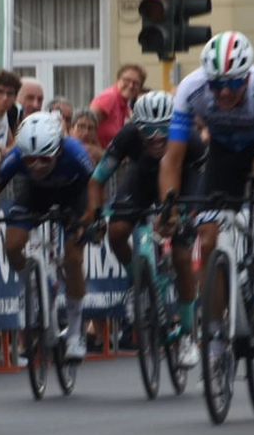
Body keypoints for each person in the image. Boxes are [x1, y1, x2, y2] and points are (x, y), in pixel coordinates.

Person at [158, 31, 254, 316]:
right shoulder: (191, 88)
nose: (224, 91)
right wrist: (168, 205)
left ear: (246, 77)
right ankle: (216, 339)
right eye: (217, 84)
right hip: (223, 150)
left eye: (233, 83)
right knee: (207, 241)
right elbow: (172, 160)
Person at [84, 90, 201, 356]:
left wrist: (183, 214)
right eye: (148, 129)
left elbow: (201, 185)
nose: (156, 136)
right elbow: (97, 179)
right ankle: (139, 281)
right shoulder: (126, 136)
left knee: (183, 257)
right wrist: (94, 215)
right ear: (137, 126)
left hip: (183, 184)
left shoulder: (190, 138)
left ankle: (185, 334)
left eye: (163, 129)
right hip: (141, 180)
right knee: (116, 232)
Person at [0, 111, 95, 360]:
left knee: (73, 259)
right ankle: (35, 284)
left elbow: (96, 188)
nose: (36, 166)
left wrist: (87, 220)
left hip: (73, 197)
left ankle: (76, 332)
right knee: (12, 246)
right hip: (35, 195)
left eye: (44, 159)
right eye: (30, 159)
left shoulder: (75, 152)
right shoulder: (15, 156)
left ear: (57, 150)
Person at [88, 64, 146, 148]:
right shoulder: (109, 97)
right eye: (127, 80)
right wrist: (99, 151)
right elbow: (87, 125)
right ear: (117, 80)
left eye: (136, 83)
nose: (131, 86)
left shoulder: (125, 106)